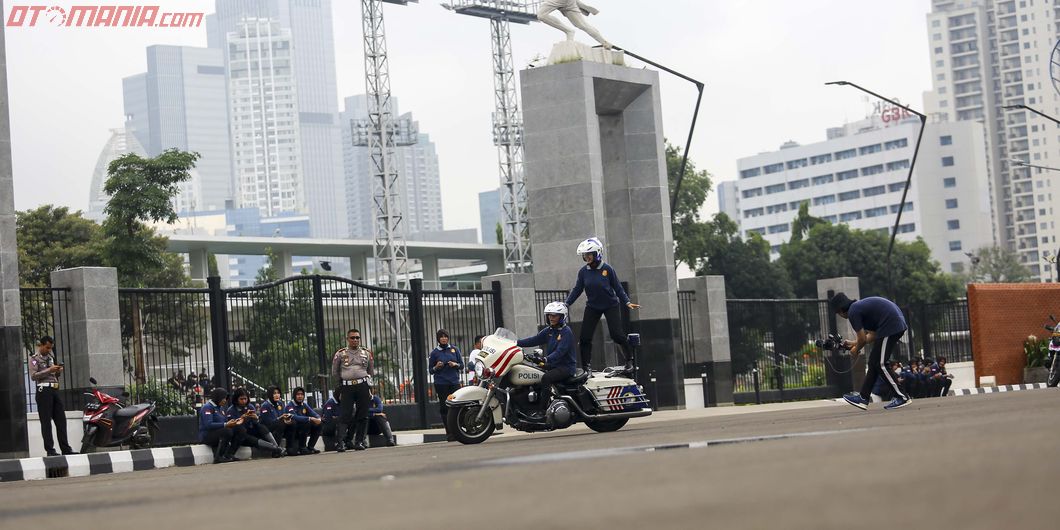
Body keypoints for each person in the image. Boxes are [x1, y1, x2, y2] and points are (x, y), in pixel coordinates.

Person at [564, 237, 640, 372]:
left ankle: (629, 361)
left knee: (616, 335)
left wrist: (627, 302)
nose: (586, 257)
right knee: (584, 338)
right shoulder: (583, 272)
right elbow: (577, 289)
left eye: (589, 254)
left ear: (597, 253)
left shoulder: (607, 269)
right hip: (593, 306)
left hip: (611, 305)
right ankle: (586, 367)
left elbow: (618, 288)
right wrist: (566, 304)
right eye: (585, 255)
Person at [831, 292, 912, 411]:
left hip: (890, 325)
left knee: (880, 363)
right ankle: (863, 398)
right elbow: (872, 335)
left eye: (838, 313)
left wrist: (856, 349)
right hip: (892, 324)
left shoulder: (853, 312)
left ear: (841, 310)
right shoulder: (859, 307)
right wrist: (854, 343)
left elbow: (863, 339)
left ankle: (902, 396)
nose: (840, 316)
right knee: (874, 362)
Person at [516, 302, 576, 402]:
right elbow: (534, 340)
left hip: (566, 367)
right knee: (532, 373)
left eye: (554, 315)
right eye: (549, 315)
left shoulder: (566, 331)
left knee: (546, 378)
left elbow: (560, 352)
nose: (550, 318)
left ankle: (543, 409)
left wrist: (545, 359)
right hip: (553, 365)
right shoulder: (549, 330)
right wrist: (514, 343)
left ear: (562, 317)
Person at [29, 336, 75, 456]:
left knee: (61, 420)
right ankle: (50, 450)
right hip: (43, 391)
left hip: (54, 389)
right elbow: (33, 376)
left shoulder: (50, 358)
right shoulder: (34, 359)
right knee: (46, 422)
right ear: (41, 345)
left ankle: (66, 449)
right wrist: (50, 370)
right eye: (47, 347)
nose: (49, 350)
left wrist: (57, 370)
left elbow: (54, 374)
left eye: (51, 348)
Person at [331, 328, 375, 451]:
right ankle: (340, 443)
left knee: (363, 414)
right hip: (347, 386)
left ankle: (359, 441)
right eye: (352, 338)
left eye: (357, 337)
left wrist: (369, 387)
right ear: (347, 339)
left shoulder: (366, 353)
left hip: (362, 385)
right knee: (345, 415)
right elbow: (335, 372)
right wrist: (341, 385)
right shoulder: (340, 353)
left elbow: (370, 371)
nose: (355, 340)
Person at [226, 388, 285, 457]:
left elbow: (256, 423)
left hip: (251, 431)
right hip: (241, 436)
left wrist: (256, 418)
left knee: (261, 426)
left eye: (245, 399)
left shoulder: (250, 406)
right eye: (241, 399)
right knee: (245, 433)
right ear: (236, 399)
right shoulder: (231, 410)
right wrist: (242, 418)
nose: (244, 401)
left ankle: (276, 447)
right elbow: (234, 427)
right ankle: (277, 449)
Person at [428, 329, 463, 442]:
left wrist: (455, 364)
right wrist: (436, 367)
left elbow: (462, 365)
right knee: (445, 408)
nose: (444, 338)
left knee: (457, 406)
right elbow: (431, 370)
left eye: (445, 336)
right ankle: (449, 433)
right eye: (441, 337)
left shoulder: (454, 349)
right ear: (438, 339)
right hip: (441, 383)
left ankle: (460, 430)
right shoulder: (434, 353)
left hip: (454, 382)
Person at [198, 387, 245, 463]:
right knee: (227, 431)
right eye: (223, 398)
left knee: (240, 430)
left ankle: (229, 454)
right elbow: (208, 425)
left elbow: (224, 421)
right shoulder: (207, 407)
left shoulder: (221, 408)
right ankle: (218, 456)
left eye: (226, 398)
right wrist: (226, 424)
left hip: (219, 431)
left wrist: (235, 422)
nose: (225, 400)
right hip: (207, 435)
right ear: (217, 397)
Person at [284, 387, 322, 455]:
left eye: (301, 394)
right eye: (298, 394)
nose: (300, 396)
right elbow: (295, 417)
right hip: (293, 429)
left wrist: (318, 419)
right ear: (294, 395)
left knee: (319, 424)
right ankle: (302, 448)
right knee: (307, 422)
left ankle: (310, 447)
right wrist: (309, 418)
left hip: (304, 428)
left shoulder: (304, 405)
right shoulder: (290, 406)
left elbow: (314, 413)